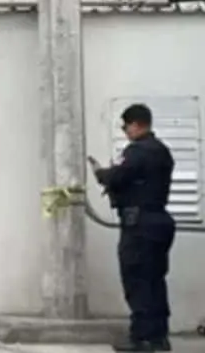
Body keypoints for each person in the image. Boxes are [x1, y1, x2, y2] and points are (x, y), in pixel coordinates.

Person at [90, 103, 176, 352]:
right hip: (159, 222)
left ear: (136, 125)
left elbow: (118, 177)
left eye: (125, 126)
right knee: (155, 281)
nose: (125, 131)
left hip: (139, 225)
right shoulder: (162, 151)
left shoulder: (138, 151)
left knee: (137, 281)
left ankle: (142, 338)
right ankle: (159, 337)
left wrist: (101, 173)